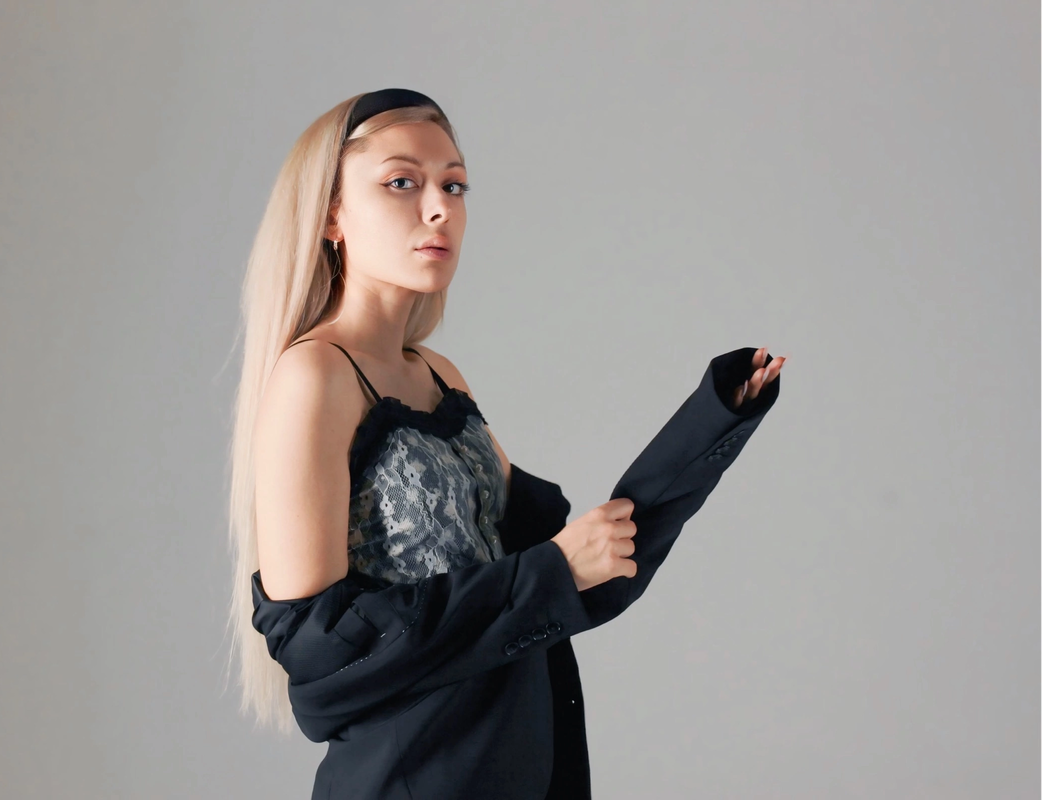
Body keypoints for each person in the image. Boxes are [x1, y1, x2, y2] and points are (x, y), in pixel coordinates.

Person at [227, 88, 786, 799]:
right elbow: (320, 651)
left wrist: (714, 421)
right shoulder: (314, 377)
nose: (439, 208)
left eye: (454, 185)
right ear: (331, 214)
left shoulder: (439, 377)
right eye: (402, 182)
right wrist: (551, 573)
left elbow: (583, 574)